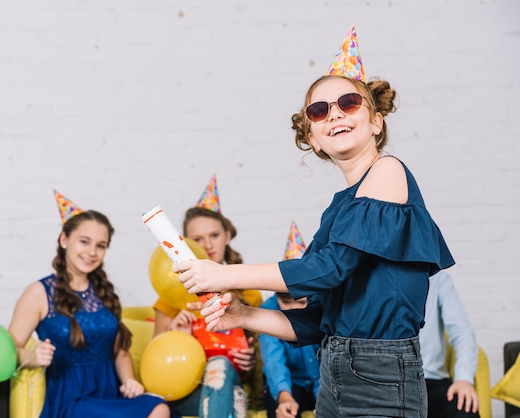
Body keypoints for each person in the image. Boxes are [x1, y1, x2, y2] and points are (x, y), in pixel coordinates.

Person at [175, 26, 455, 418]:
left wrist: (224, 274)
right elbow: (316, 320)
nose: (334, 113)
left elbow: (328, 268)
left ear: (376, 121)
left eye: (349, 102)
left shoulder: (388, 172)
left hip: (380, 373)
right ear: (315, 138)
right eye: (320, 110)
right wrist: (245, 315)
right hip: (334, 372)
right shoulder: (340, 208)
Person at [8, 190, 172, 418]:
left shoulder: (104, 292)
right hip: (71, 400)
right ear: (64, 240)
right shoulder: (39, 292)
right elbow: (8, 351)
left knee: (160, 408)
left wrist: (129, 381)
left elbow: (120, 351)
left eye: (101, 245)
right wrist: (33, 357)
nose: (92, 252)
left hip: (111, 393)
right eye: (84, 242)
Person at [152, 175, 263, 418]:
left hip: (230, 378)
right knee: (231, 396)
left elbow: (264, 353)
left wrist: (251, 362)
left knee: (221, 367)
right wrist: (175, 334)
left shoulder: (249, 294)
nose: (208, 245)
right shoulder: (170, 296)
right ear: (186, 245)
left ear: (227, 235)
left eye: (214, 235)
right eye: (198, 240)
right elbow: (156, 359)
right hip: (187, 389)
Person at [259, 221, 320, 418]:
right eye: (286, 301)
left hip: (324, 381)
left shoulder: (325, 306)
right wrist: (285, 397)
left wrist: (325, 398)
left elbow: (330, 359)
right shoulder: (268, 310)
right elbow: (274, 360)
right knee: (280, 408)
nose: (294, 311)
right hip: (290, 383)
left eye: (301, 303)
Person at [420, 270, 480, 417]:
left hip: (430, 381)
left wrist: (464, 379)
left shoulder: (438, 279)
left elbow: (462, 332)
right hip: (383, 383)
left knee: (465, 409)